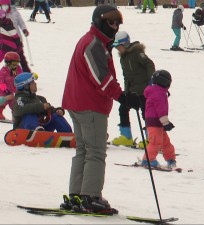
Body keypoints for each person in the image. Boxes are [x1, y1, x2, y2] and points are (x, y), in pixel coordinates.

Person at [61, 5, 130, 214]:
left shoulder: (96, 42)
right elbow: (100, 77)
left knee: (84, 150)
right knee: (96, 152)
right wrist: (122, 96)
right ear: (99, 21)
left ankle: (77, 195)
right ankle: (90, 196)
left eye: (117, 23)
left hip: (80, 103)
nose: (115, 26)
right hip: (89, 105)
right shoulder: (93, 44)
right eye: (111, 22)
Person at [111, 31, 155, 147]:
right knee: (123, 109)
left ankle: (150, 139)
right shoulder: (123, 58)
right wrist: (126, 91)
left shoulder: (137, 53)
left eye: (118, 46)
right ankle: (126, 137)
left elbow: (149, 64)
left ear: (125, 44)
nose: (117, 49)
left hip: (144, 91)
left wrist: (151, 81)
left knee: (146, 114)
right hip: (132, 91)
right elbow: (126, 76)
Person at [141, 70, 176, 169]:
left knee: (165, 142)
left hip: (157, 122)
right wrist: (166, 123)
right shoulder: (158, 93)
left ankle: (170, 159)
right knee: (155, 142)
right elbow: (161, 110)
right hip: (155, 122)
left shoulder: (157, 91)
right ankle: (148, 160)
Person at [7, 0, 31, 72]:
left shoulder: (15, 12)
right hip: (4, 40)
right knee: (8, 59)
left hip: (16, 39)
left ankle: (26, 72)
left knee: (21, 58)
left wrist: (24, 29)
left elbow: (21, 22)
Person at [0, 51, 22, 120]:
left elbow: (21, 77)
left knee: (14, 103)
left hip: (12, 90)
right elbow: (1, 83)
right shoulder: (3, 71)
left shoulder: (18, 69)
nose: (15, 65)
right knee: (4, 101)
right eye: (13, 64)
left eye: (17, 63)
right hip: (3, 91)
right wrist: (7, 92)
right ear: (8, 63)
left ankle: (15, 116)